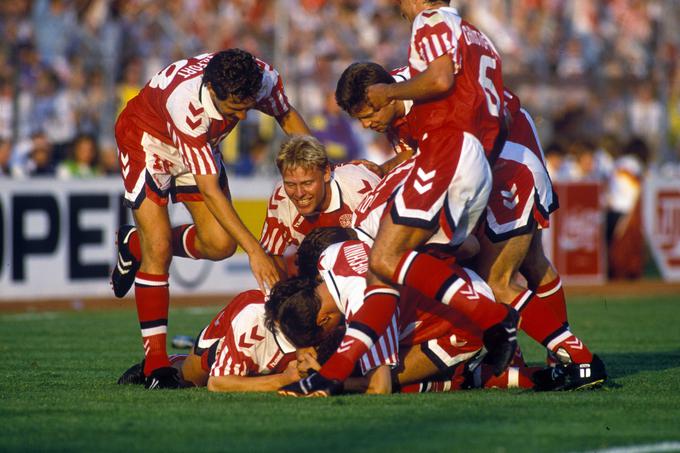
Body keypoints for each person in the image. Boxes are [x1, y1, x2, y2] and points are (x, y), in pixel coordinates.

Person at [280, 2, 519, 396]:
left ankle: (496, 320)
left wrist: (388, 92)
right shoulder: (474, 34)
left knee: (387, 262)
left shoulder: (430, 22)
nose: (367, 124)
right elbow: (499, 111)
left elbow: (439, 79)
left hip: (452, 154)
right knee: (394, 269)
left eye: (367, 112)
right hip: (477, 156)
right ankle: (533, 342)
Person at [335, 61, 606, 383]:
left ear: (388, 97)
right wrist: (391, 166)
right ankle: (552, 356)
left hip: (507, 163)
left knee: (499, 279)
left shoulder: (431, 99)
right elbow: (423, 154)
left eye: (368, 116)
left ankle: (578, 358)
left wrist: (487, 170)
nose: (366, 125)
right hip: (494, 166)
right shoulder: (398, 101)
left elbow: (502, 114)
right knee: (510, 270)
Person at [111, 48, 310, 389]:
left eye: (248, 106)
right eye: (236, 109)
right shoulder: (187, 105)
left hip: (201, 143)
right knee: (158, 247)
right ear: (213, 92)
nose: (244, 117)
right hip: (147, 139)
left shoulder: (262, 78)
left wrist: (319, 167)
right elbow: (210, 190)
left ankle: (133, 244)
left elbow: (288, 117)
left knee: (219, 244)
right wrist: (255, 251)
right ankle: (156, 364)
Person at [269, 229, 545, 397]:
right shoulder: (331, 255)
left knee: (396, 380)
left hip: (463, 323)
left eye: (319, 337)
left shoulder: (366, 309)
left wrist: (325, 380)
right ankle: (474, 370)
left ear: (323, 320)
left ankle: (494, 375)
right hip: (457, 282)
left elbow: (380, 388)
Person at [118, 288, 300, 392]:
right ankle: (162, 365)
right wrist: (282, 380)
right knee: (189, 380)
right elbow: (218, 382)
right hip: (227, 334)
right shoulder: (252, 317)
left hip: (278, 324)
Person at [259, 135, 382, 277]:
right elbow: (271, 254)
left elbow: (389, 246)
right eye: (291, 184)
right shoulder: (281, 198)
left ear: (326, 174)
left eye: (307, 183)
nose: (299, 194)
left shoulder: (360, 189)